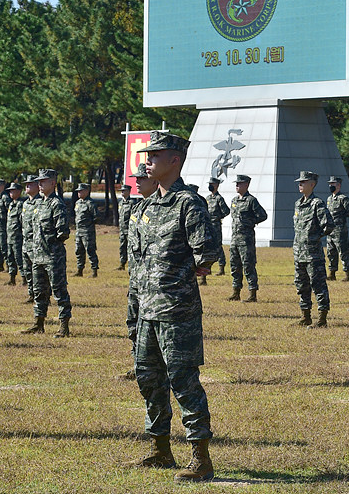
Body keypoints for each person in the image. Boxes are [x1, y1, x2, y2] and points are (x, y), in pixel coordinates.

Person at [129, 131, 220, 482]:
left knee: (183, 381)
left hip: (176, 312)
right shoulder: (146, 206)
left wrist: (194, 267)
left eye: (155, 155)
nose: (147, 160)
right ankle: (160, 449)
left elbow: (207, 252)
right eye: (146, 155)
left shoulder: (188, 203)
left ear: (174, 161)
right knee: (148, 379)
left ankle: (200, 457)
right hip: (146, 310)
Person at [21, 169, 72, 338]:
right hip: (38, 256)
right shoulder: (38, 204)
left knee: (59, 291)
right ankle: (38, 323)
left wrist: (51, 243)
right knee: (39, 291)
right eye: (39, 182)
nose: (40, 185)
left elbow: (63, 231)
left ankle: (63, 326)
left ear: (53, 183)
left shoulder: (56, 204)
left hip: (52, 256)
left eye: (43, 182)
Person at [121, 164, 158, 383]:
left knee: (152, 326)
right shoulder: (137, 208)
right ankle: (138, 364)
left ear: (154, 181)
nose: (137, 181)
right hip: (136, 279)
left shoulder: (161, 208)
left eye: (141, 178)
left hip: (153, 282)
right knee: (133, 322)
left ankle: (154, 367)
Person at [292, 171, 334, 327]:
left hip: (313, 254)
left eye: (303, 182)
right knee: (301, 285)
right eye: (299, 182)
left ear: (312, 184)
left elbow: (329, 225)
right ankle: (305, 316)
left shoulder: (317, 203)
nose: (300, 184)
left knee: (318, 285)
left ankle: (322, 319)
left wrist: (315, 237)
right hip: (299, 252)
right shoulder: (298, 203)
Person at [228, 175, 267, 302]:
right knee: (235, 265)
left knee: (248, 265)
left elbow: (262, 215)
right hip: (234, 239)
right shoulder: (234, 200)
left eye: (240, 184)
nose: (237, 186)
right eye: (236, 184)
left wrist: (251, 222)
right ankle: (236, 292)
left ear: (247, 185)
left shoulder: (251, 201)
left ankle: (252, 294)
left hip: (246, 239)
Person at [325, 175, 349, 281]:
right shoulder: (329, 198)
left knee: (343, 252)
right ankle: (332, 273)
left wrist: (342, 217)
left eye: (332, 184)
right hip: (330, 230)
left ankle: (347, 275)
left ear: (338, 186)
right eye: (329, 184)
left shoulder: (343, 198)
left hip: (340, 230)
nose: (330, 186)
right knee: (331, 251)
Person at [21, 175, 42, 305]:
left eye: (30, 184)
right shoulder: (25, 203)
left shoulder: (40, 203)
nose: (27, 186)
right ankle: (31, 294)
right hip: (26, 242)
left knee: (38, 273)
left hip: (37, 244)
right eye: (26, 184)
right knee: (27, 270)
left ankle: (41, 296)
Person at [205, 177, 231, 281]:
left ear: (216, 185)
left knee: (218, 246)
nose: (210, 185)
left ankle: (221, 268)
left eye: (212, 183)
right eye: (209, 183)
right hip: (208, 225)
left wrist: (217, 217)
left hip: (216, 226)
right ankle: (209, 267)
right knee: (208, 246)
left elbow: (226, 211)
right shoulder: (207, 198)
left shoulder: (219, 198)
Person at [73, 183, 99, 278]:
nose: (79, 193)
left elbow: (96, 217)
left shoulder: (90, 203)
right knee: (78, 251)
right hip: (78, 231)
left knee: (90, 251)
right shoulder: (77, 203)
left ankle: (94, 271)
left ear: (87, 191)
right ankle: (79, 270)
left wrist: (88, 225)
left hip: (88, 232)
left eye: (81, 191)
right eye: (78, 191)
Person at [4, 182, 26, 287]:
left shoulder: (21, 205)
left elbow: (23, 222)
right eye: (10, 191)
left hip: (18, 238)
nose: (10, 193)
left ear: (19, 192)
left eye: (13, 190)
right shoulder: (11, 205)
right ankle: (12, 278)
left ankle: (24, 279)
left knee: (19, 259)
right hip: (10, 237)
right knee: (10, 258)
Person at [117, 183, 133, 271]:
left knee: (130, 248)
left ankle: (131, 265)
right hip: (122, 230)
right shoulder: (120, 203)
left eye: (124, 190)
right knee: (122, 247)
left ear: (129, 191)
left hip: (130, 230)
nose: (122, 192)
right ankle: (122, 264)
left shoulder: (132, 203)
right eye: (121, 191)